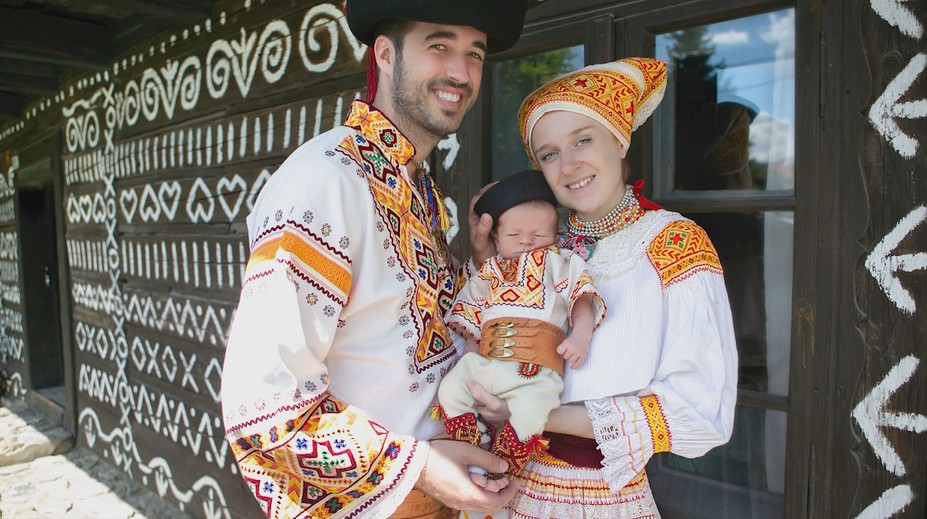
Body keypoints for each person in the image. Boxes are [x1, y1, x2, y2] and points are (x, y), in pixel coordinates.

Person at [219, 2, 529, 518]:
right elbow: (264, 407)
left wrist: (477, 268)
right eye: (439, 45)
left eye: (474, 54)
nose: (460, 71)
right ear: (385, 54)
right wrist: (423, 467)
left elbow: (412, 335)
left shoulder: (416, 184)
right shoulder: (325, 180)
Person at [469, 57, 739, 517]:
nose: (569, 165)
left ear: (619, 140)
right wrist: (484, 264)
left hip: (597, 500)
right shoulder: (540, 247)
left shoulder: (672, 241)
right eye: (549, 153)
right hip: (506, 488)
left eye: (583, 140)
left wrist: (538, 414)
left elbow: (702, 411)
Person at [436, 170, 605, 477]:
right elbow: (472, 318)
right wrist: (469, 357)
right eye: (514, 235)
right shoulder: (488, 272)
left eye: (539, 235)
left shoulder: (559, 263)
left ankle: (506, 460)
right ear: (496, 238)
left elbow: (580, 298)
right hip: (486, 365)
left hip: (534, 372)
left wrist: (581, 335)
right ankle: (473, 440)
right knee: (450, 388)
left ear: (555, 238)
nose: (527, 241)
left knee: (532, 411)